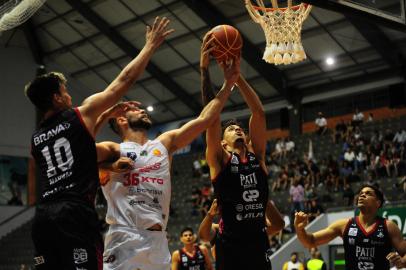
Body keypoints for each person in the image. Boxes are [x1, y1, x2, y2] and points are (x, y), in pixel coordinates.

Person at [26, 16, 173, 270]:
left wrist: (105, 119)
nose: (69, 96)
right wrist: (150, 46)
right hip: (74, 213)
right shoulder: (77, 115)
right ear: (57, 98)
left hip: (43, 218)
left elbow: (74, 156)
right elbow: (123, 81)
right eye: (65, 91)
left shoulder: (35, 140)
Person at [96, 35, 240, 270]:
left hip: (158, 241)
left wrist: (227, 84)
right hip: (125, 237)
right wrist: (103, 119)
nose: (142, 111)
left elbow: (205, 118)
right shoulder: (113, 150)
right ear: (121, 119)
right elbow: (77, 154)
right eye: (136, 110)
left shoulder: (164, 143)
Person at [200, 32, 284, 269]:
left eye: (240, 129)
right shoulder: (220, 160)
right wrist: (206, 71)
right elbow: (211, 118)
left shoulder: (258, 157)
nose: (238, 130)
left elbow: (258, 114)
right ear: (223, 143)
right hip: (230, 246)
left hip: (258, 242)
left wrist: (238, 79)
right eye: (232, 129)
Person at [295, 184, 406, 270]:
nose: (362, 195)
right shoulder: (344, 225)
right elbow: (310, 241)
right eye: (361, 193)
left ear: (378, 202)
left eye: (368, 193)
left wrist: (402, 262)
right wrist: (299, 229)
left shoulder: (389, 226)